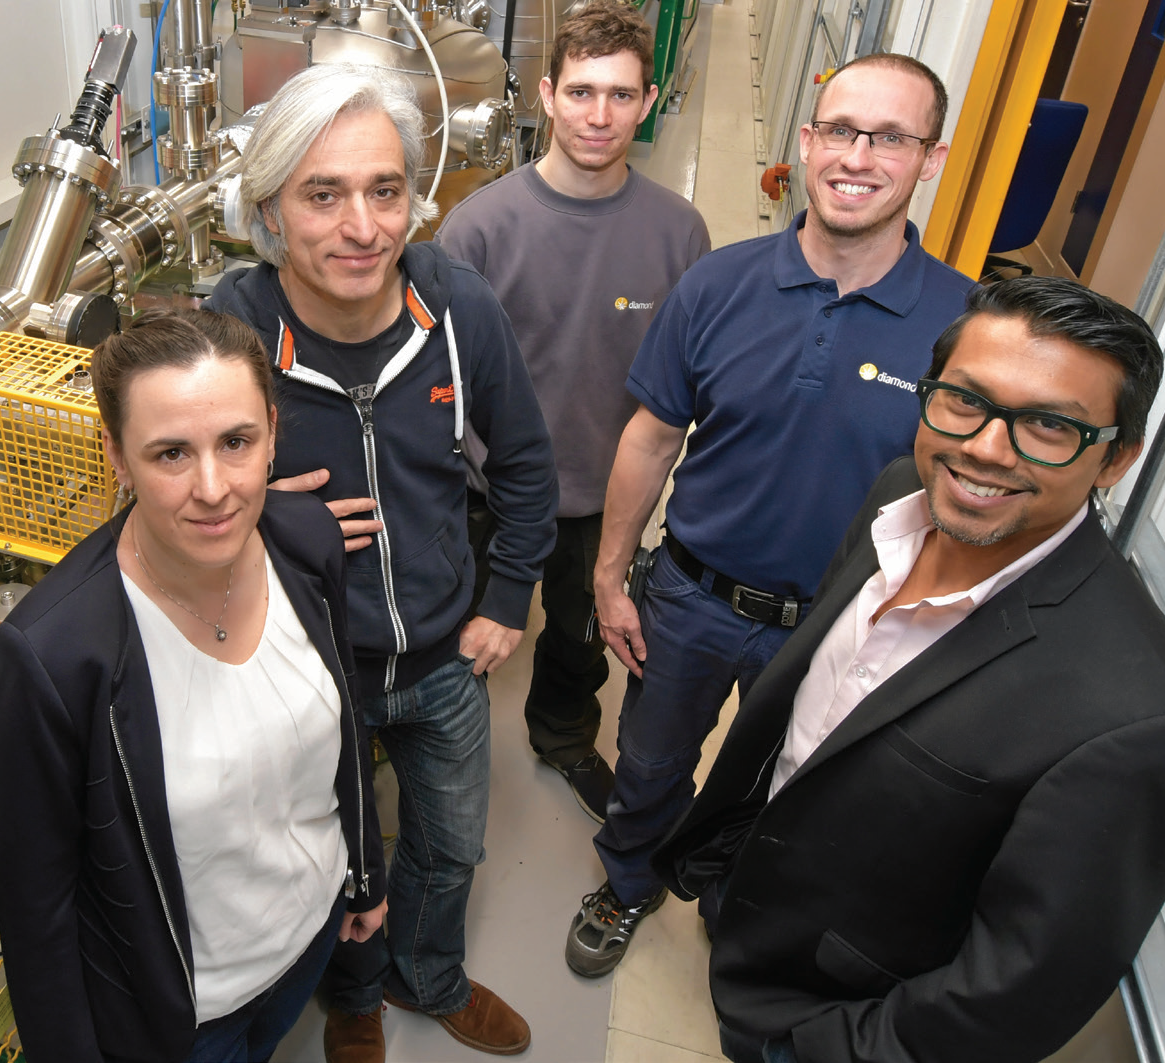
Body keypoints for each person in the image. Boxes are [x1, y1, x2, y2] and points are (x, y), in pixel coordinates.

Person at [653, 276, 1165, 1063]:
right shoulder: (899, 496)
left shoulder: (1135, 721)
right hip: (756, 914)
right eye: (964, 400)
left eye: (1048, 425)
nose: (984, 447)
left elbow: (1010, 998)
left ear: (1115, 458)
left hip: (837, 1020)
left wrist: (810, 1051)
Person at [569, 52, 976, 977]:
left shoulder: (965, 327)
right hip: (693, 597)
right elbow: (649, 437)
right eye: (839, 130)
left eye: (891, 138)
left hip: (845, 624)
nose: (858, 157)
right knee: (648, 763)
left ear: (931, 158)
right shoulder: (720, 283)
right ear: (806, 140)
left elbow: (970, 494)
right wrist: (609, 576)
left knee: (791, 790)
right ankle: (626, 882)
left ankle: (735, 906)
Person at [204, 63, 557, 1063]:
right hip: (310, 673)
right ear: (270, 212)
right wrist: (261, 509)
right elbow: (159, 504)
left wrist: (506, 597)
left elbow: (527, 466)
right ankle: (354, 997)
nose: (363, 226)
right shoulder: (232, 336)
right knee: (332, 859)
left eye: (386, 190)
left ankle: (429, 975)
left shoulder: (456, 312)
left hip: (445, 660)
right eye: (324, 195)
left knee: (450, 848)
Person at [0, 311, 387, 1063]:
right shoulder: (56, 654)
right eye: (171, 452)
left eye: (237, 442)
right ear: (116, 456)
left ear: (271, 430)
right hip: (182, 1018)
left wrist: (363, 872)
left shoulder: (306, 540)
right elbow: (38, 912)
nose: (213, 488)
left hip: (306, 944)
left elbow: (346, 724)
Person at [440, 2, 711, 822]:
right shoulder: (479, 228)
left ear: (650, 100)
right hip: (483, 491)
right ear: (549, 95)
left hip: (600, 494)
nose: (600, 115)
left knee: (577, 638)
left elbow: (681, 390)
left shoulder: (679, 233)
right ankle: (435, 750)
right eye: (583, 92)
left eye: (622, 96)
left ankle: (561, 736)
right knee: (452, 635)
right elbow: (438, 379)